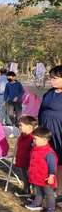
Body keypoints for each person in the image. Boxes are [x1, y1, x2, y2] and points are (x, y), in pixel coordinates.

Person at [38, 65, 62, 200]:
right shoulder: (49, 93)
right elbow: (41, 111)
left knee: (60, 163)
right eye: (51, 77)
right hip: (47, 132)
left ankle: (60, 192)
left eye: (55, 78)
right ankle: (48, 188)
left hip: (60, 132)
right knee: (47, 159)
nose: (51, 80)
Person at [25, 127, 58, 212]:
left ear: (44, 140)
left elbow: (52, 165)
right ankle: (37, 203)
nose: (33, 141)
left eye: (35, 139)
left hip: (46, 178)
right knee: (38, 191)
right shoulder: (35, 148)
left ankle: (51, 209)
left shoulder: (49, 153)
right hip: (37, 176)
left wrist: (51, 176)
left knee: (49, 194)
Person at [14, 116, 37, 198]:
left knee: (32, 179)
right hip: (23, 160)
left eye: (21, 125)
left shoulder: (33, 138)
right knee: (25, 176)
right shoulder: (22, 135)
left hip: (30, 163)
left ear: (30, 127)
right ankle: (26, 190)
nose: (19, 127)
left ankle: (35, 195)